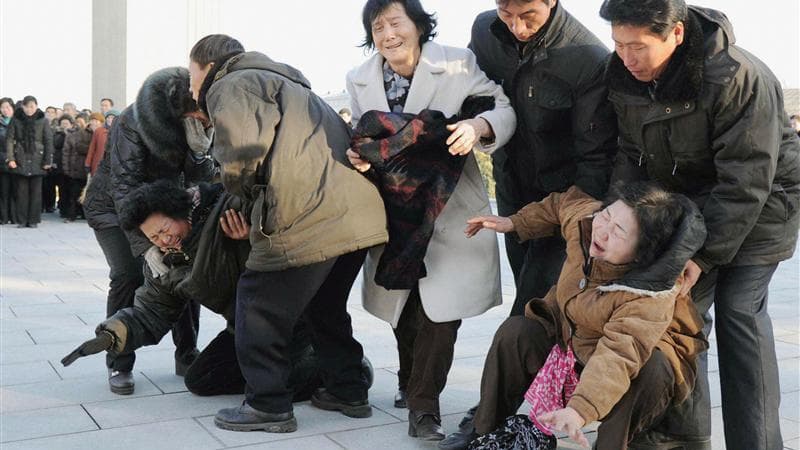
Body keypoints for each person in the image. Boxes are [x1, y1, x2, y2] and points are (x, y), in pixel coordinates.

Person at [599, 1, 800, 449]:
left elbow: (747, 178)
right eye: (618, 44)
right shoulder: (625, 75)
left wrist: (702, 256)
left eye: (638, 47)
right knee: (679, 318)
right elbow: (631, 157)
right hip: (684, 210)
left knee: (739, 315)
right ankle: (686, 440)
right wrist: (620, 219)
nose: (627, 58)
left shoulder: (736, 76)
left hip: (762, 209)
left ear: (675, 33)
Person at [187, 34, 388, 433]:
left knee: (257, 305)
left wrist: (241, 195)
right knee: (325, 307)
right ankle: (348, 390)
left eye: (192, 74)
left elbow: (242, 156)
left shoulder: (231, 84)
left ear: (208, 66)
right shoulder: (292, 86)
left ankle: (267, 404)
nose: (192, 87)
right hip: (360, 215)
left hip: (308, 214)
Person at [345, 0, 516, 441]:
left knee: (442, 312)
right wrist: (359, 157)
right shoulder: (359, 79)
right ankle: (409, 382)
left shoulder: (457, 63)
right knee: (405, 306)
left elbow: (502, 107)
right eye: (377, 26)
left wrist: (477, 127)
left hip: (451, 203)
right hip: (398, 209)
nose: (387, 34)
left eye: (395, 22)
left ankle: (424, 406)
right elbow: (362, 140)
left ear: (418, 26)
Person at [62, 180, 375, 400]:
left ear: (179, 211)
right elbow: (152, 309)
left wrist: (252, 240)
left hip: (287, 320)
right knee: (201, 380)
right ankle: (287, 371)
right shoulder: (164, 261)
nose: (162, 240)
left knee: (268, 388)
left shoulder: (227, 209)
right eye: (153, 237)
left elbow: (291, 242)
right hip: (244, 329)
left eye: (164, 230)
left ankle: (341, 370)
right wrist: (112, 334)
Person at [459, 183, 706, 450]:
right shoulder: (587, 223)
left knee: (653, 367)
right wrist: (514, 222)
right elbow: (561, 203)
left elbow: (619, 356)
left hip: (631, 362)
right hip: (574, 340)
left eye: (619, 231)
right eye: (607, 215)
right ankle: (483, 433)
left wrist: (579, 410)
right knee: (516, 332)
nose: (603, 231)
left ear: (642, 253)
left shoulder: (651, 294)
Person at [466, 0, 618, 319]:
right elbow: (469, 94)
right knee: (528, 292)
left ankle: (541, 367)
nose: (517, 28)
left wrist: (578, 223)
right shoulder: (484, 32)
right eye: (506, 15)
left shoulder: (588, 58)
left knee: (533, 312)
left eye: (528, 16)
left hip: (563, 204)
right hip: (511, 192)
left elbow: (596, 158)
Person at [83, 67, 211, 396]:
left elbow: (201, 181)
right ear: (178, 105)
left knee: (183, 267)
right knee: (128, 273)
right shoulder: (132, 122)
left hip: (165, 202)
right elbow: (124, 187)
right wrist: (147, 245)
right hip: (114, 207)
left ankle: (187, 353)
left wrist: (199, 152)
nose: (204, 116)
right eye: (197, 109)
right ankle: (119, 359)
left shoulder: (194, 123)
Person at [5, 95, 53, 228]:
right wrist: (11, 158)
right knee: (21, 192)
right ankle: (22, 220)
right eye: (27, 106)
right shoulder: (15, 120)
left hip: (38, 157)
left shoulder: (43, 120)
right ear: (23, 107)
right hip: (20, 156)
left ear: (36, 106)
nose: (30, 109)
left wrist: (47, 160)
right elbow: (9, 140)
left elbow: (48, 141)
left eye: (32, 106)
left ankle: (33, 220)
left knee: (36, 192)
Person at [61, 112, 99, 222]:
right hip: (74, 168)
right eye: (77, 121)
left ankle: (84, 214)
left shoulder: (93, 133)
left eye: (82, 121)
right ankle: (71, 215)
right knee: (73, 194)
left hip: (88, 168)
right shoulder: (71, 134)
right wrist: (66, 168)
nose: (79, 123)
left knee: (87, 194)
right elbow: (66, 152)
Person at [0, 97, 16, 224]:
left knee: (16, 191)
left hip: (16, 161)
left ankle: (15, 217)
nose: (5, 110)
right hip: (2, 160)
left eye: (8, 107)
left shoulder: (18, 123)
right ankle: (4, 217)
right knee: (3, 191)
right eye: (2, 107)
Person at [85, 112, 110, 176]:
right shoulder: (98, 131)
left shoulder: (118, 131)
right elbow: (92, 149)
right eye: (92, 120)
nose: (93, 123)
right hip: (97, 164)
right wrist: (88, 163)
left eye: (96, 121)